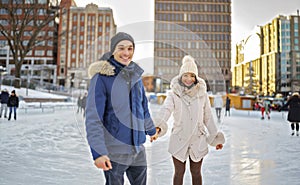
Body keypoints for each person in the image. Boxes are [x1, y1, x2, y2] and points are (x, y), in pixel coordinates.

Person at [85, 32, 159, 185]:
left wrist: (151, 130)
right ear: (113, 50)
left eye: (130, 48)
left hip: (138, 149)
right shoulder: (101, 78)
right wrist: (98, 153)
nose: (126, 53)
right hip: (115, 151)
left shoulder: (136, 77)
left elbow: (143, 108)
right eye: (121, 48)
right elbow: (94, 118)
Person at [154, 55, 225, 185]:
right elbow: (166, 109)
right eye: (186, 75)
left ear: (196, 77)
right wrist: (159, 125)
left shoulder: (202, 95)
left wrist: (215, 137)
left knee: (196, 173)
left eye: (192, 75)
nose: (189, 79)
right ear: (181, 76)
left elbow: (207, 117)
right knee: (179, 172)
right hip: (179, 137)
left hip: (198, 138)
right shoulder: (174, 93)